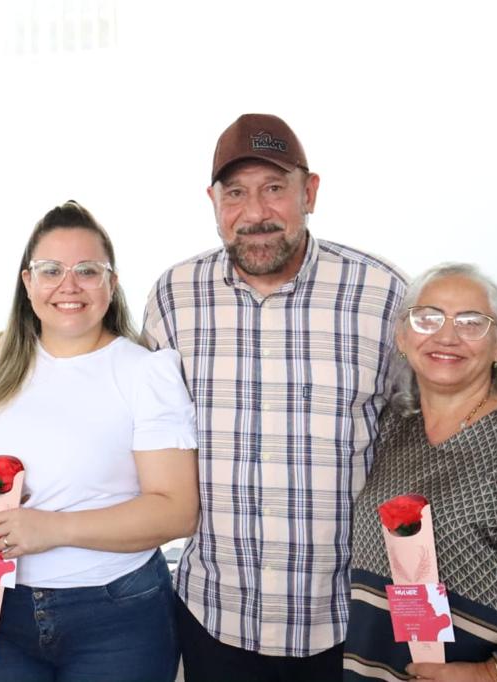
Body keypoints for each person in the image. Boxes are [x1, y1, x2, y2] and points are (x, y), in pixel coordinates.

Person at [143, 113, 407, 681]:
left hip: (346, 622)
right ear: (212, 200)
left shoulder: (382, 294)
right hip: (214, 615)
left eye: (273, 189)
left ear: (309, 192)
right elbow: (151, 441)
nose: (255, 212)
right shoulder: (173, 297)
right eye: (235, 192)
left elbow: (418, 440)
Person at [0, 200, 199, 682]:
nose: (69, 285)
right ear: (27, 283)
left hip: (113, 615)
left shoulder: (145, 372)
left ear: (112, 283)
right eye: (51, 270)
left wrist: (52, 528)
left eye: (88, 270)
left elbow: (176, 510)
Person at [343, 263, 497, 682]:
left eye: (471, 322)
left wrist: (496, 673)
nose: (447, 336)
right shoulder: (393, 427)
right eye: (428, 318)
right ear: (403, 337)